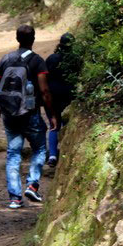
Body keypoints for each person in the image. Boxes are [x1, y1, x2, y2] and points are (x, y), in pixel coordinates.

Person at [0, 25, 58, 209]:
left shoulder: (6, 59)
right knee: (40, 149)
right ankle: (32, 185)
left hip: (10, 114)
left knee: (13, 154)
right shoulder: (37, 61)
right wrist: (51, 115)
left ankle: (14, 198)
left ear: (17, 38)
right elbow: (44, 90)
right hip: (31, 114)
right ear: (33, 39)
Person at [45, 33, 78, 167]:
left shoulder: (51, 59)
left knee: (54, 126)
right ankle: (65, 154)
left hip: (52, 97)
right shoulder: (75, 60)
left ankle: (52, 155)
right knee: (66, 125)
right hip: (67, 97)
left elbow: (44, 79)